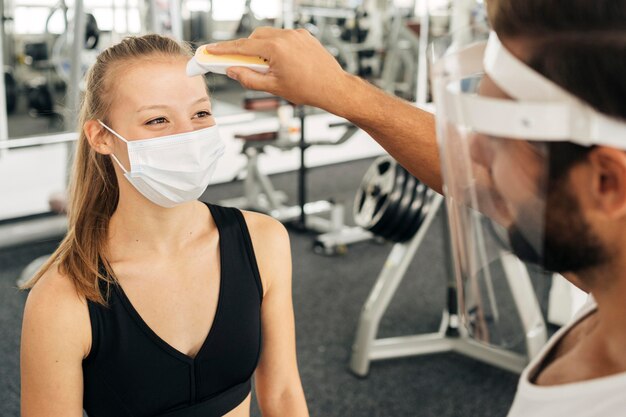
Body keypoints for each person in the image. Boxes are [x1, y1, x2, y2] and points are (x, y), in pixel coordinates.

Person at [205, 0, 626, 415]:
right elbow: (474, 175)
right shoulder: (609, 277)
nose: (471, 149)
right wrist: (337, 90)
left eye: (497, 133)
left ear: (607, 182)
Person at [20, 34, 309, 417]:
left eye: (201, 113)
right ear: (102, 138)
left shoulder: (263, 241)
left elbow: (284, 394)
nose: (188, 137)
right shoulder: (62, 299)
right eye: (157, 120)